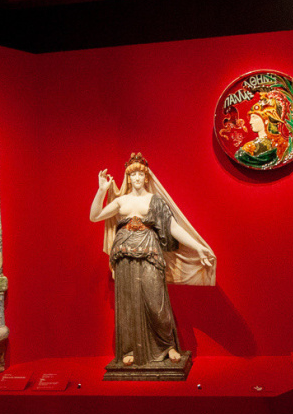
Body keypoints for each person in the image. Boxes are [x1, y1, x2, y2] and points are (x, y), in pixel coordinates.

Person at [90, 153, 215, 367]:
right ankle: (128, 349)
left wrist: (199, 248)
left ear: (146, 177)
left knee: (156, 301)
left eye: (141, 173)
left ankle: (167, 346)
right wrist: (102, 190)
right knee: (128, 303)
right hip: (124, 253)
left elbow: (173, 228)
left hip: (150, 250)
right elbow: (95, 216)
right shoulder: (121, 201)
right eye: (133, 174)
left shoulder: (155, 201)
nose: (137, 177)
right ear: (128, 178)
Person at [234, 96, 288, 169]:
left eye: (254, 117)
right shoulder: (248, 147)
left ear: (266, 120)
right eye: (251, 118)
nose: (250, 122)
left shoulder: (282, 144)